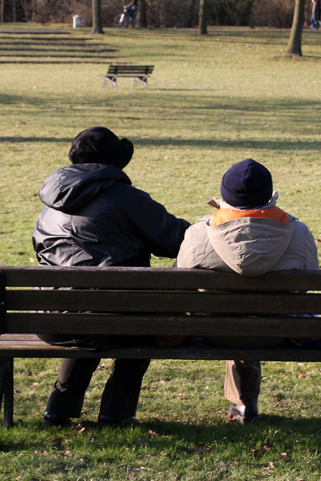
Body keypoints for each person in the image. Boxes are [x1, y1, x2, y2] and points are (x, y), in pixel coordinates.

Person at [32, 126, 190, 427]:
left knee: (87, 312)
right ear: (113, 164)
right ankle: (116, 413)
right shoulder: (124, 197)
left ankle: (58, 409)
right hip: (110, 316)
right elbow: (174, 240)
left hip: (49, 320)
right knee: (135, 320)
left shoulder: (50, 202)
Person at [175, 159, 319, 424]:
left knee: (235, 320)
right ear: (268, 194)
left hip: (212, 332)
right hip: (279, 332)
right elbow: (308, 283)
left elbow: (181, 282)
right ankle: (244, 405)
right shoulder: (298, 233)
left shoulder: (198, 234)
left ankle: (241, 405)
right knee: (252, 319)